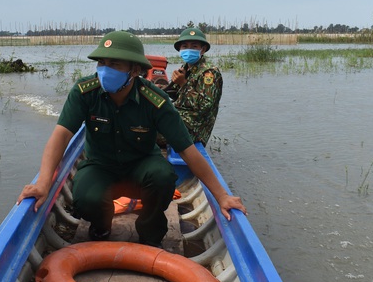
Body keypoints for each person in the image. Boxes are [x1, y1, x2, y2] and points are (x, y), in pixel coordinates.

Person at [16, 31, 246, 247]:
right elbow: (61, 135)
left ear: (135, 70)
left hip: (142, 164)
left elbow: (187, 150)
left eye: (114, 64)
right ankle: (101, 226)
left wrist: (222, 196)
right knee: (85, 196)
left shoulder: (155, 100)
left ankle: (150, 233)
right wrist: (43, 184)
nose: (105, 70)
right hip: (100, 165)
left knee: (163, 178)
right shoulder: (85, 92)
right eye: (101, 63)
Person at [165, 27, 222, 146]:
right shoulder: (186, 68)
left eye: (194, 46)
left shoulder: (209, 73)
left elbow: (205, 106)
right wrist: (171, 85)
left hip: (194, 130)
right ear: (180, 49)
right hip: (180, 120)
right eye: (185, 46)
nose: (189, 49)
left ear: (203, 49)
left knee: (145, 132)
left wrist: (183, 83)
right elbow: (177, 97)